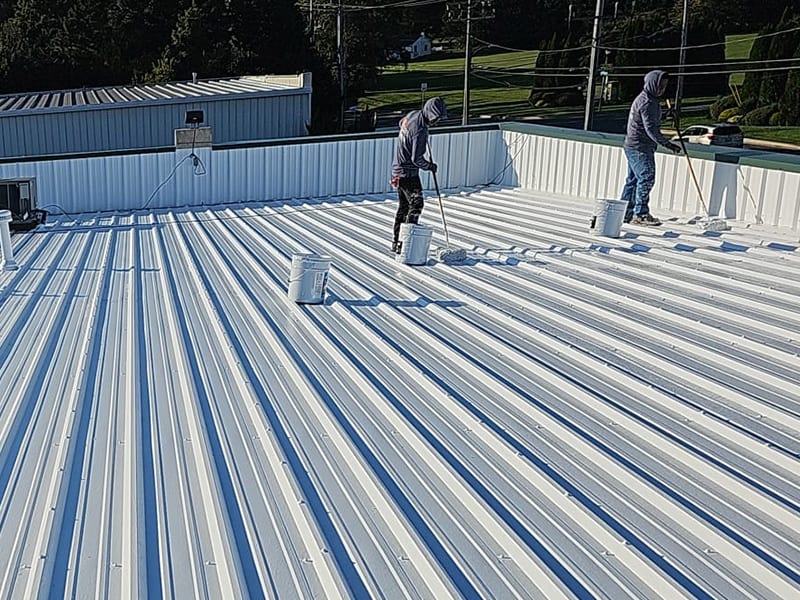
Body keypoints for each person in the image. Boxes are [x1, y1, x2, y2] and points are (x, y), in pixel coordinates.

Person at [620, 69, 682, 226]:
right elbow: (651, 129)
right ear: (652, 84)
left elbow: (651, 120)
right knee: (646, 177)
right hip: (640, 147)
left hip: (633, 145)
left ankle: (625, 212)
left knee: (633, 180)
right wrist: (667, 144)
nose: (662, 89)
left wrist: (666, 115)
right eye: (660, 85)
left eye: (665, 86)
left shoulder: (649, 99)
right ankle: (640, 214)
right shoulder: (647, 102)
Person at [390, 96, 447, 253]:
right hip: (408, 172)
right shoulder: (420, 130)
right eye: (436, 118)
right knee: (416, 205)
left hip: (397, 170)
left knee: (403, 207)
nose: (437, 122)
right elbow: (416, 159)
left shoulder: (413, 115)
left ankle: (397, 243)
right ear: (430, 113)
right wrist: (430, 166)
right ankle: (406, 243)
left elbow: (400, 123)